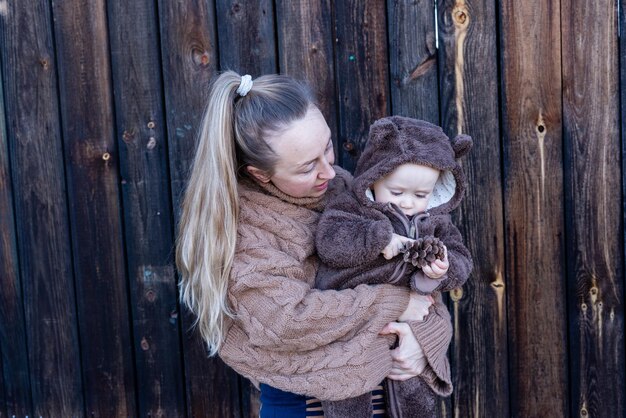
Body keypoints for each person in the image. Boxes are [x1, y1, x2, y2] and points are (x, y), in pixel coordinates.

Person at [176, 71, 453, 417]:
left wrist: (424, 342)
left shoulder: (347, 191)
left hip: (396, 398)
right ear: (261, 174)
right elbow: (288, 320)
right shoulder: (245, 234)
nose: (330, 171)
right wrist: (392, 302)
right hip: (309, 408)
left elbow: (420, 279)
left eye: (327, 148)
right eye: (308, 167)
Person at [315, 116, 473, 417]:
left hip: (411, 326)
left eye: (421, 195)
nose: (410, 204)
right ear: (374, 179)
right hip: (355, 321)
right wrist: (377, 238)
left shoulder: (436, 222)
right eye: (398, 193)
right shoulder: (353, 209)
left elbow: (461, 259)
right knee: (346, 388)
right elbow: (330, 241)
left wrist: (443, 269)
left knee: (413, 389)